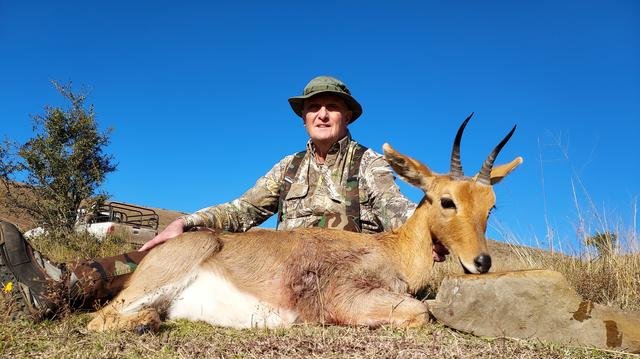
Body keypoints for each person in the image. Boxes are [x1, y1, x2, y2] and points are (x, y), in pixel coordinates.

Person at [0, 76, 424, 320]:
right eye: (314, 108)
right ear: (304, 116)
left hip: (337, 273)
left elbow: (399, 214)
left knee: (183, 269)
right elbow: (243, 209)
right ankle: (65, 285)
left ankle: (67, 290)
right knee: (177, 252)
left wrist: (433, 230)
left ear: (347, 114)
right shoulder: (288, 167)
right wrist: (188, 221)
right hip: (281, 262)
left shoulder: (368, 164)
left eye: (332, 107)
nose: (323, 114)